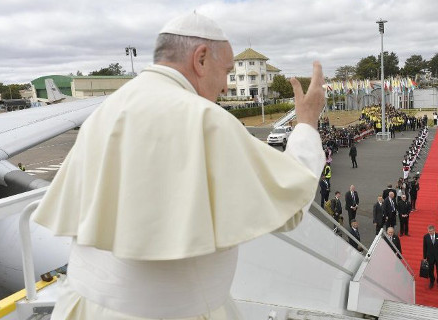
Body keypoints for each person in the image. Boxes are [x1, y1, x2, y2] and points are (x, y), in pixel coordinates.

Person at [31, 12, 325, 320]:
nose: (226, 86)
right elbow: (290, 209)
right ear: (200, 59)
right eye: (226, 71)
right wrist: (306, 124)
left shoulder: (106, 111)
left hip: (81, 307)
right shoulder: (205, 119)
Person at [423, 225, 438, 291]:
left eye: (431, 231)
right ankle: (432, 281)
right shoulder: (426, 237)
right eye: (429, 231)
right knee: (430, 270)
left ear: (434, 230)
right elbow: (425, 247)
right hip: (430, 257)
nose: (430, 232)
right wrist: (424, 257)